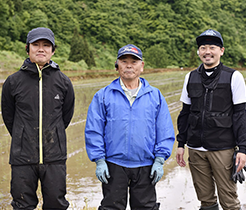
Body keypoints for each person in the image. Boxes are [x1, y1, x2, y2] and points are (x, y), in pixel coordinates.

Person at [85, 44, 175, 210]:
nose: (129, 65)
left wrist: (160, 159)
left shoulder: (155, 96)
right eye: (124, 61)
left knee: (145, 207)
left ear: (142, 66)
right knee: (111, 207)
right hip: (114, 164)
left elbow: (165, 130)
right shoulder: (103, 95)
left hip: (146, 165)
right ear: (117, 65)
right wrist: (99, 160)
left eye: (134, 61)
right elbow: (94, 130)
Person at [1, 27, 75, 210]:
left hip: (54, 157)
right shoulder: (13, 82)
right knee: (22, 205)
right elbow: (9, 116)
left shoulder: (63, 82)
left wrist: (54, 134)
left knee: (56, 204)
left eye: (46, 45)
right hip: (22, 157)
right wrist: (22, 135)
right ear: (27, 49)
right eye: (36, 45)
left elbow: (66, 115)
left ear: (53, 50)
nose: (41, 49)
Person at [176, 29, 246, 210]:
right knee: (205, 199)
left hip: (223, 148)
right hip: (196, 148)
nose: (207, 51)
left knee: (229, 200)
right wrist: (180, 144)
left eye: (212, 47)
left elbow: (241, 114)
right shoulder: (190, 77)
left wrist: (243, 149)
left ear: (221, 50)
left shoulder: (234, 77)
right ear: (199, 51)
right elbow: (185, 113)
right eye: (203, 47)